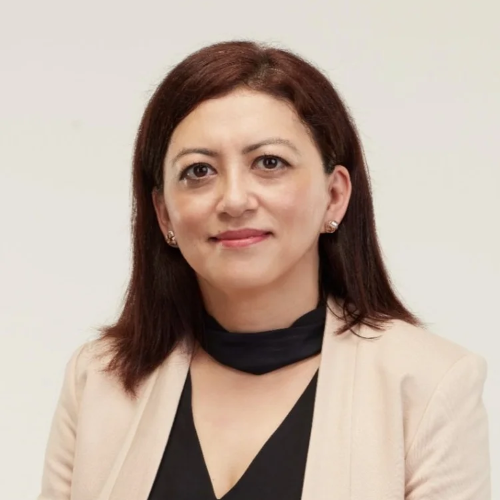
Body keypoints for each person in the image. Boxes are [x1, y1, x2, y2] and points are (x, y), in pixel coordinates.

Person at [37, 40, 491, 500]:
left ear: (334, 196)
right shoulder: (97, 381)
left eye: (269, 163)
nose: (234, 200)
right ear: (163, 213)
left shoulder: (429, 386)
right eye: (199, 171)